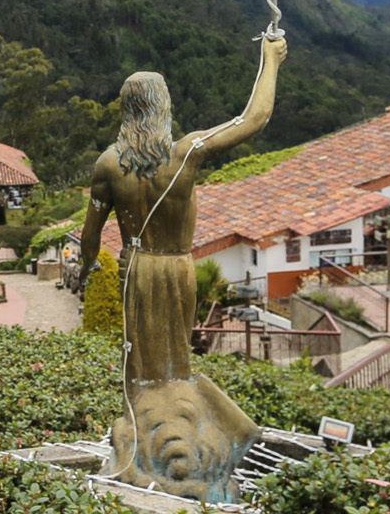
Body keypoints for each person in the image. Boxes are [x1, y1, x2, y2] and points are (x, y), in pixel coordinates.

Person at [66, 33, 286, 503]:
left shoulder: (108, 163)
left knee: (140, 369)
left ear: (127, 111)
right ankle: (184, 435)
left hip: (134, 270)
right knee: (175, 363)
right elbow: (255, 118)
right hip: (177, 269)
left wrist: (88, 270)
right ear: (162, 107)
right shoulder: (185, 152)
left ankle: (144, 442)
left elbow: (89, 237)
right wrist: (270, 59)